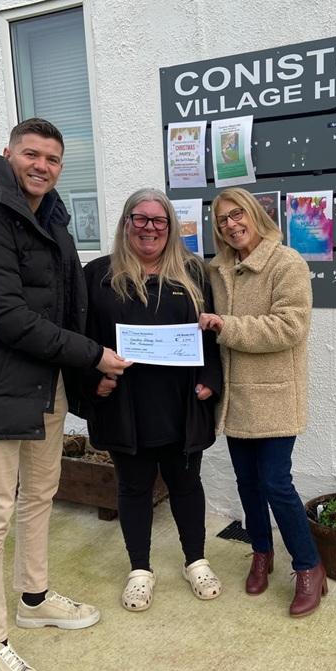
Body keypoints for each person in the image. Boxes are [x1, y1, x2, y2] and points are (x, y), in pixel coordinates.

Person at [0, 118, 130, 671]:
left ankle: (34, 598)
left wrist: (84, 370)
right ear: (7, 154)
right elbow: (9, 317)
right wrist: (93, 355)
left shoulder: (50, 218)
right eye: (32, 154)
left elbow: (68, 302)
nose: (41, 166)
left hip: (44, 389)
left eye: (52, 159)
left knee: (40, 495)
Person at [79, 188, 222, 612]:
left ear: (171, 228)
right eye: (139, 219)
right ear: (126, 224)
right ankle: (139, 570)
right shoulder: (99, 275)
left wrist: (211, 381)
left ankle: (195, 560)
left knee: (186, 484)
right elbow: (83, 340)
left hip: (181, 403)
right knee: (134, 487)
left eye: (158, 221)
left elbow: (209, 338)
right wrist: (94, 380)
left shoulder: (194, 274)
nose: (149, 228)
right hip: (125, 404)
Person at [198, 187, 327, 618]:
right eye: (221, 221)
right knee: (246, 482)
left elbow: (290, 327)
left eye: (237, 215)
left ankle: (309, 566)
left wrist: (226, 326)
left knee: (276, 483)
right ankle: (261, 553)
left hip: (274, 396)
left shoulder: (286, 262)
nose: (231, 225)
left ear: (254, 214)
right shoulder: (216, 270)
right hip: (235, 397)